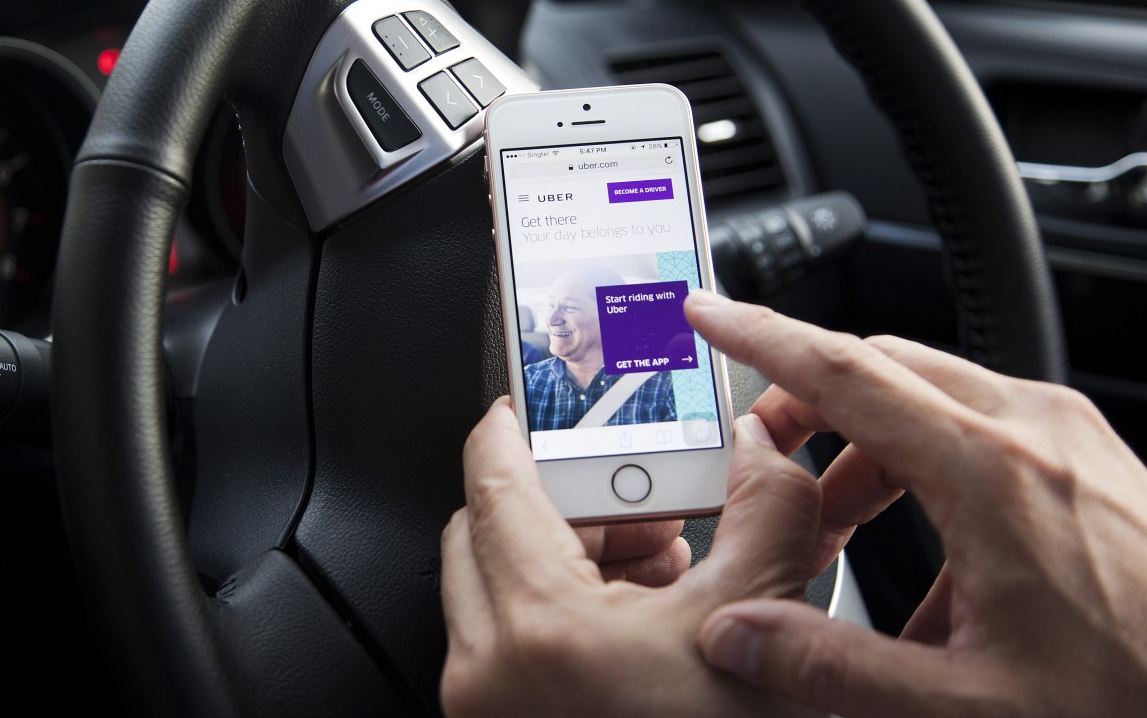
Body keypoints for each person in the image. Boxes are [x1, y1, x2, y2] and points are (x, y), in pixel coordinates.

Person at [440, 289, 1147, 717]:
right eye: (550, 307)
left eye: (571, 305)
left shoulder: (652, 384)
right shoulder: (541, 379)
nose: (556, 317)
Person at [523, 264, 675, 431]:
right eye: (551, 305)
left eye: (570, 307)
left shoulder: (663, 384)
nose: (552, 320)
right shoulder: (528, 382)